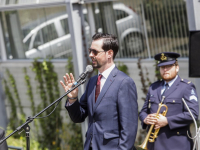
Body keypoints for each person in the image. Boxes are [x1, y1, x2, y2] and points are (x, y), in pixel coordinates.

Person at [60, 33, 138, 150]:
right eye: (90, 50)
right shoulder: (92, 81)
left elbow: (129, 128)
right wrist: (72, 98)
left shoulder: (124, 82)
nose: (91, 55)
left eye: (95, 52)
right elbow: (78, 117)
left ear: (109, 54)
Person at [139, 52, 199, 150]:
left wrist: (167, 121)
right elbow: (143, 111)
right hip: (153, 145)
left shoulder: (186, 87)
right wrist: (145, 119)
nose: (165, 70)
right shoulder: (153, 87)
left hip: (176, 144)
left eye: (169, 66)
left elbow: (193, 114)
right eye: (162, 67)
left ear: (177, 67)